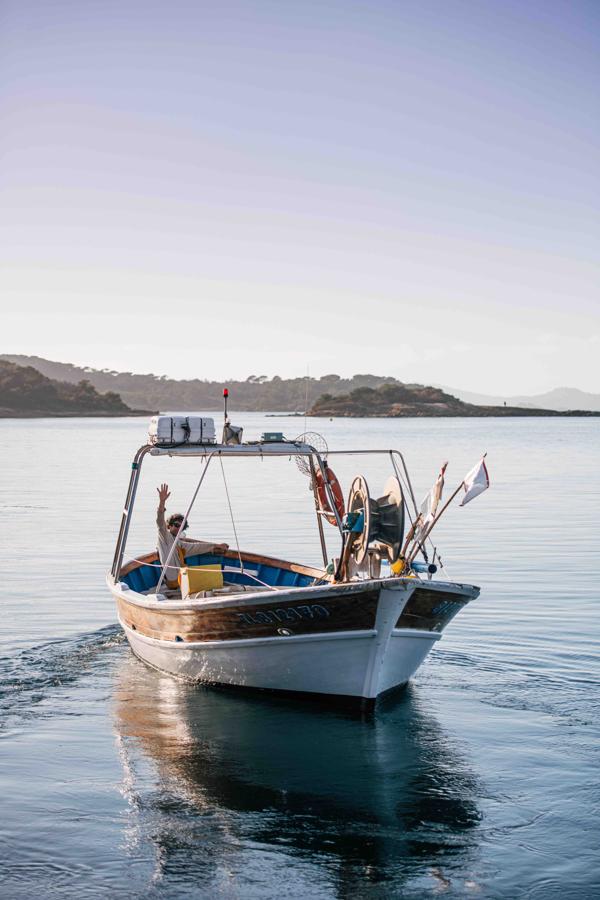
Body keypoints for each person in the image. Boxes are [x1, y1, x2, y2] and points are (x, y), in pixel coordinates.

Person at [156, 483, 228, 588]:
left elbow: (196, 547)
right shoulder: (164, 537)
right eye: (176, 525)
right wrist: (162, 501)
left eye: (181, 527)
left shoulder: (179, 543)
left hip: (181, 580)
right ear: (169, 526)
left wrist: (216, 546)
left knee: (214, 578)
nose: (178, 529)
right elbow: (160, 520)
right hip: (173, 582)